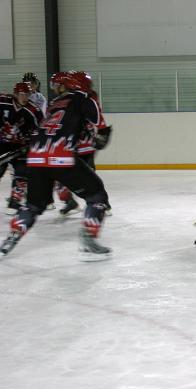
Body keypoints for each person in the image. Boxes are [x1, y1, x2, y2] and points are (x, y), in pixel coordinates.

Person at [0, 72, 111, 261]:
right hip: (62, 157)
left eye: (58, 85)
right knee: (97, 195)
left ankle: (10, 240)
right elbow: (99, 128)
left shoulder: (53, 105)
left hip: (35, 158)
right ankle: (89, 239)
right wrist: (102, 136)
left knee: (33, 206)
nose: (55, 88)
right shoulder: (85, 97)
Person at [55, 70, 113, 217]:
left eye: (63, 85)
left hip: (83, 146)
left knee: (87, 178)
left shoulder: (85, 98)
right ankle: (70, 202)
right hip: (70, 146)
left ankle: (101, 203)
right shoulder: (72, 98)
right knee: (61, 176)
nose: (59, 88)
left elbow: (97, 121)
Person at [0, 82, 44, 214]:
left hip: (21, 147)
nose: (24, 97)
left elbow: (41, 130)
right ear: (15, 94)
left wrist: (33, 142)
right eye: (21, 94)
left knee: (21, 172)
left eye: (27, 94)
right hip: (2, 145)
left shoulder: (34, 110)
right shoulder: (3, 102)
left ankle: (15, 202)